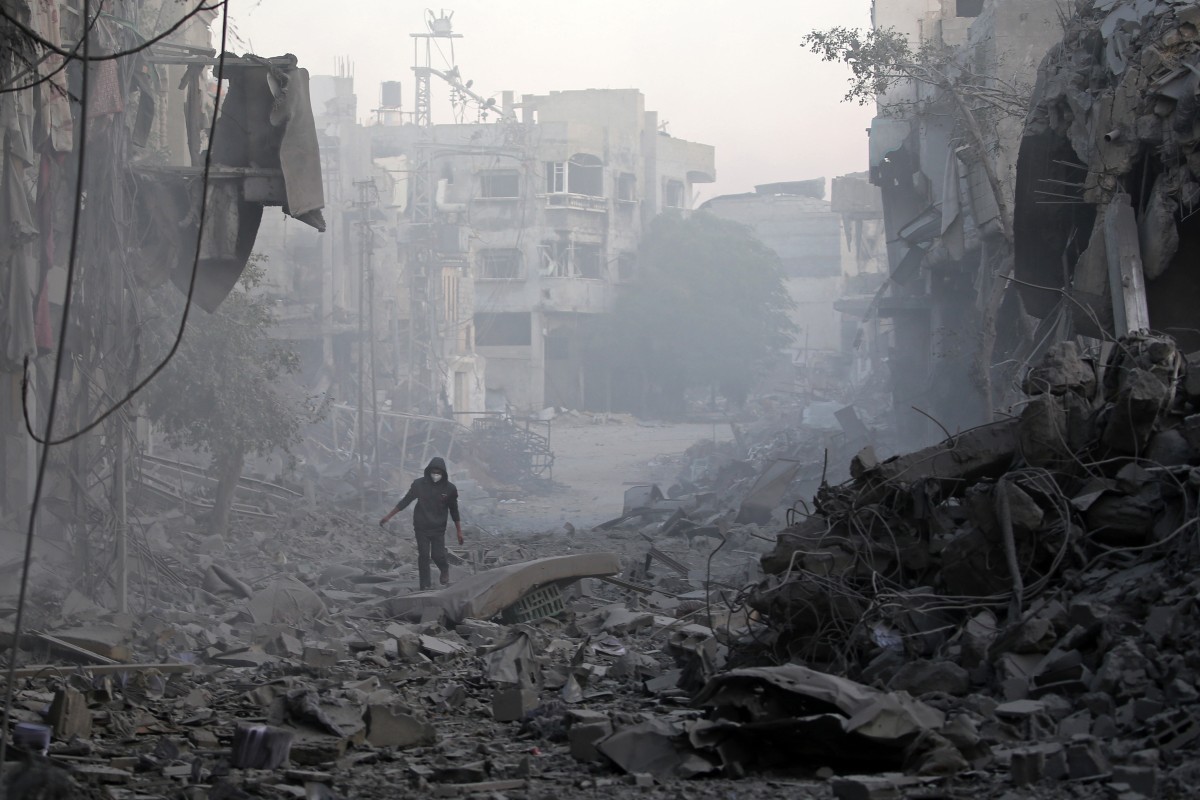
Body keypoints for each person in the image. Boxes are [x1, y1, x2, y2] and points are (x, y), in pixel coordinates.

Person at [379, 457, 463, 590]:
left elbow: (454, 511)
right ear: (429, 471)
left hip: (438, 528)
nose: (436, 475)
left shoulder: (450, 489)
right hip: (421, 526)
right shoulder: (419, 485)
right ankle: (424, 585)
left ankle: (444, 569)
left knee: (437, 555)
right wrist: (388, 516)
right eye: (433, 471)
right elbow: (405, 501)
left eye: (439, 472)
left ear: (443, 473)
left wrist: (459, 531)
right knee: (423, 555)